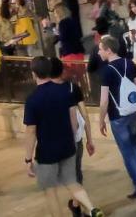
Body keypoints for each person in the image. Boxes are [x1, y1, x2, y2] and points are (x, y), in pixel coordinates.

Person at [24, 56, 103, 217]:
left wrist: (28, 159)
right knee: (71, 181)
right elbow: (74, 120)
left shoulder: (32, 100)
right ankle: (91, 207)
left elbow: (31, 131)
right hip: (68, 146)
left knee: (50, 190)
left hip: (47, 151)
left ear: (34, 74)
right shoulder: (64, 91)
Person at [97, 35, 136, 200]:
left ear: (108, 50)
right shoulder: (130, 62)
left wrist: (101, 120)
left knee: (128, 152)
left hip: (118, 115)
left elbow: (104, 100)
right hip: (133, 111)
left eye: (100, 49)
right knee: (135, 149)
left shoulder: (107, 71)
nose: (99, 52)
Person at [48, 57, 94, 192]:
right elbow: (85, 115)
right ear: (62, 70)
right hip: (76, 138)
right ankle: (78, 203)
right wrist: (90, 140)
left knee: (66, 173)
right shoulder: (73, 88)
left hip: (57, 139)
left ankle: (77, 201)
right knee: (76, 170)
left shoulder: (45, 91)